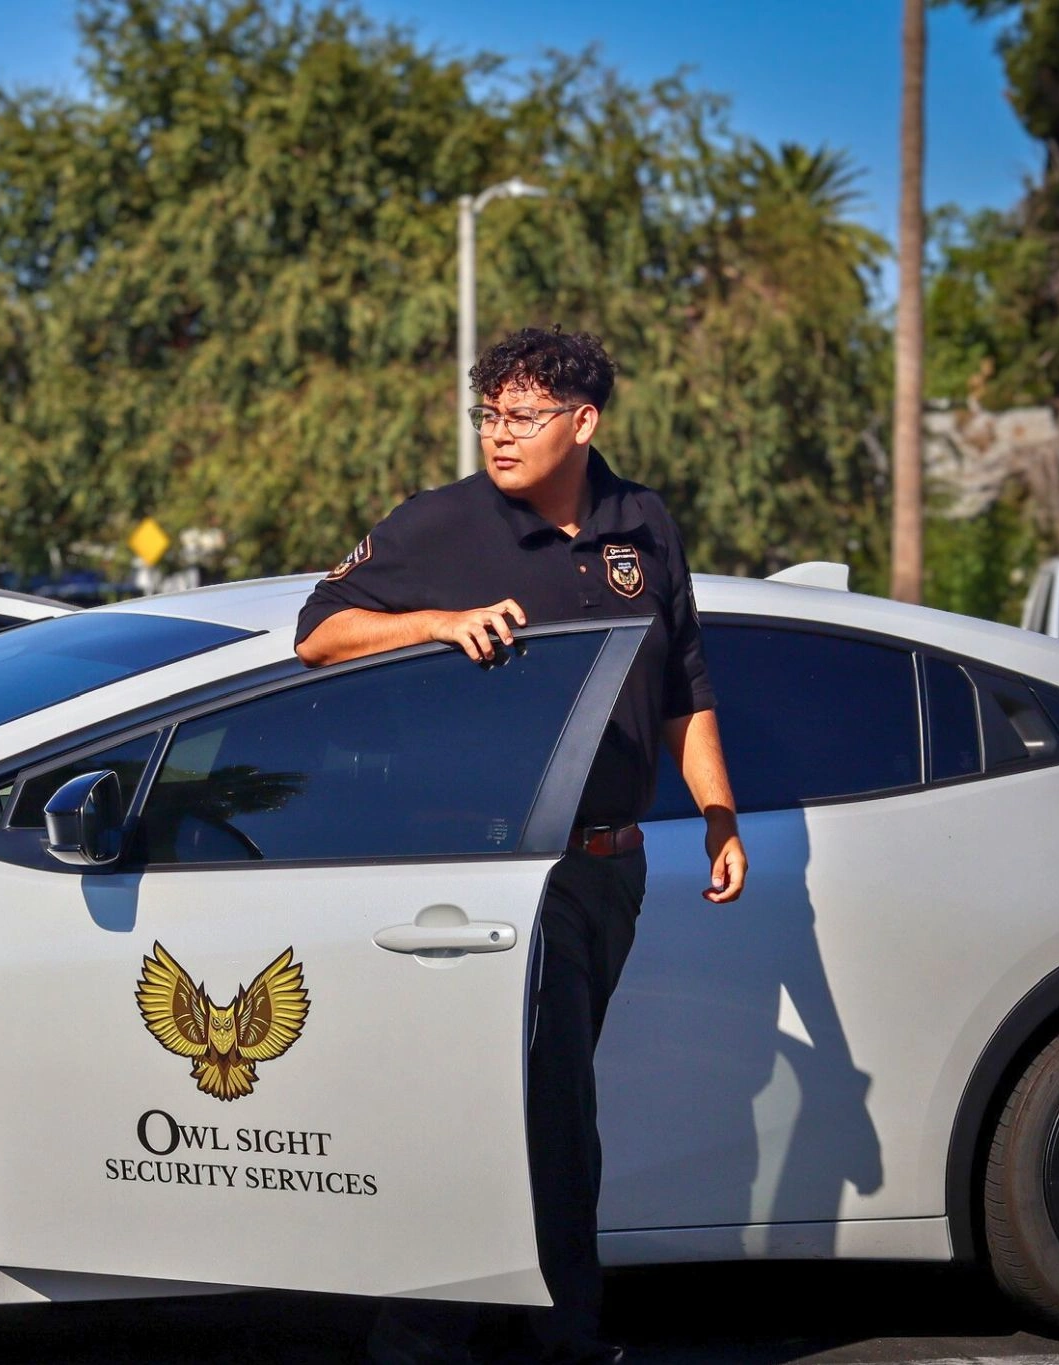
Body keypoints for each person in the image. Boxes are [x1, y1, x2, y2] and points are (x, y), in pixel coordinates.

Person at [294, 327, 747, 1364]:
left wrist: (717, 812)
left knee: (547, 1102)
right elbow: (316, 633)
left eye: (522, 416)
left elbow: (684, 685)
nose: (498, 435)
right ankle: (492, 1332)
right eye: (488, 414)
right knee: (536, 1110)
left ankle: (474, 1324)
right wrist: (431, 622)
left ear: (582, 424)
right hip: (489, 875)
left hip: (607, 867)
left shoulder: (643, 522)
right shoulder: (439, 523)